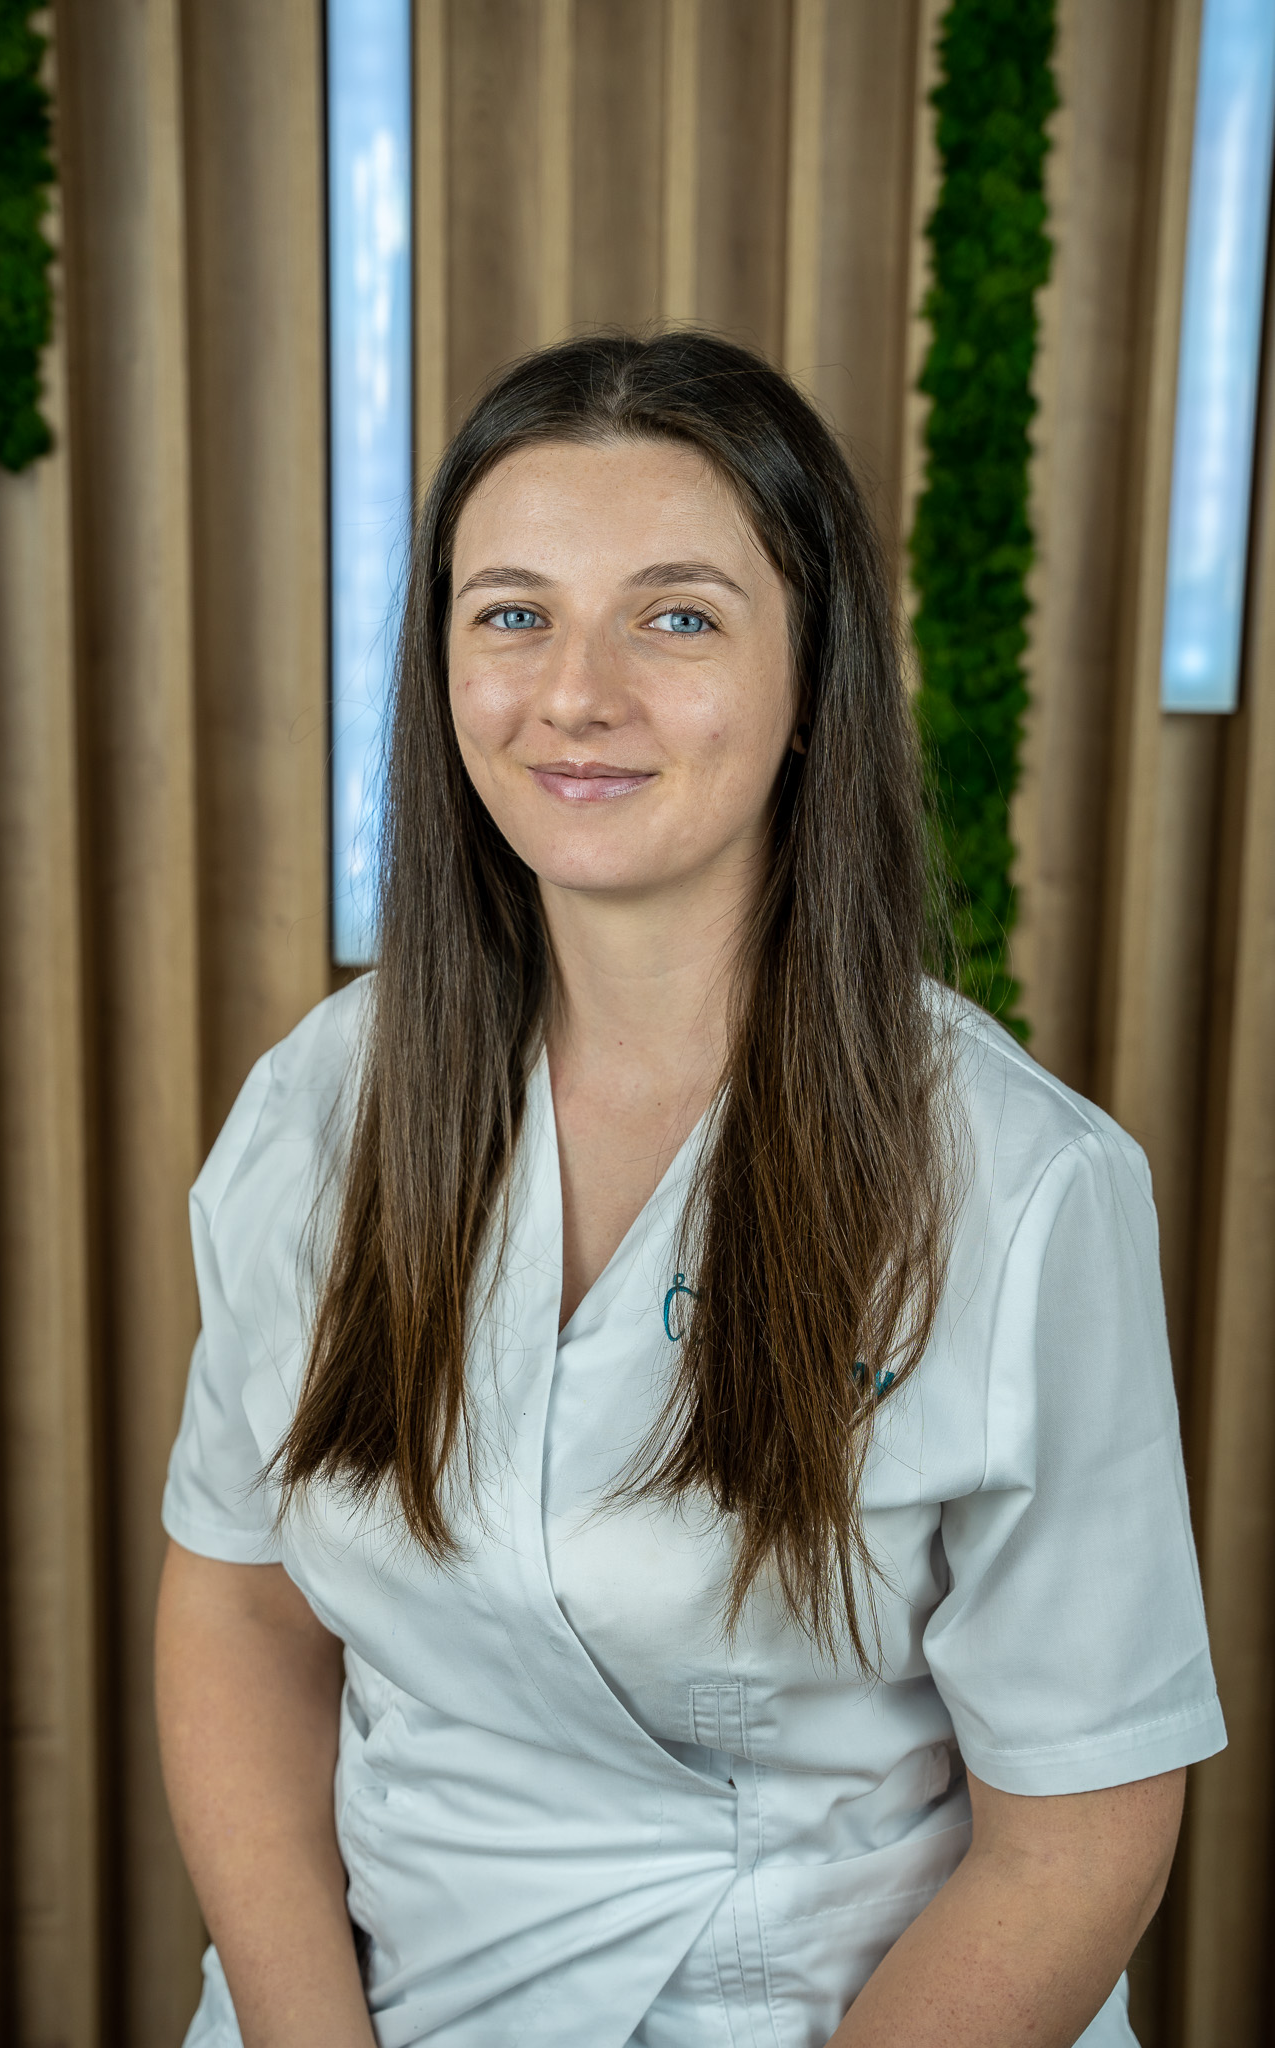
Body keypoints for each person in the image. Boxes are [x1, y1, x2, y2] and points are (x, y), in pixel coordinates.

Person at [155, 331, 1225, 2048]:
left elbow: (1078, 1834)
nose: (574, 694)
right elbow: (241, 1600)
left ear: (813, 683)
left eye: (675, 618)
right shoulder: (321, 1104)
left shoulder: (1023, 1188)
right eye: (512, 613)